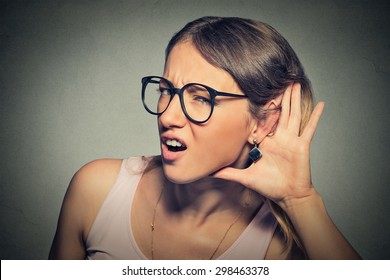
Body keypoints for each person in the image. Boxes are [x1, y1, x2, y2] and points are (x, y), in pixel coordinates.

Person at [49, 16, 360, 260]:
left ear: (263, 121)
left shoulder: (279, 246)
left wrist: (300, 200)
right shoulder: (96, 191)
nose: (168, 116)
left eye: (201, 98)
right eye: (166, 91)